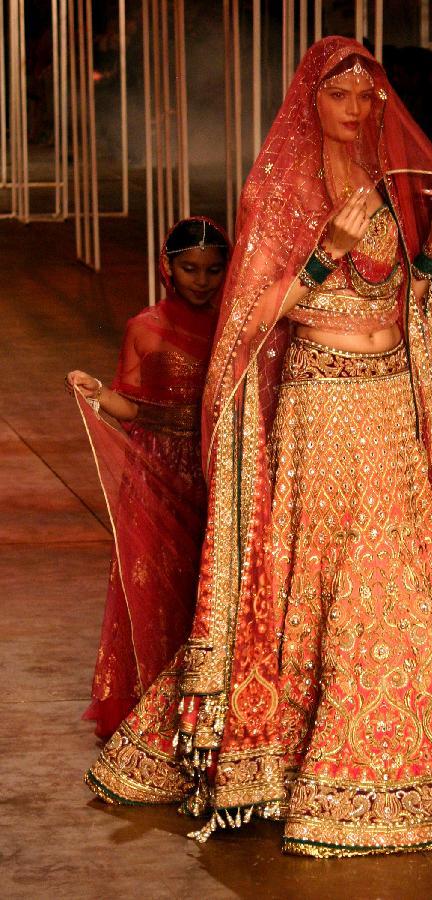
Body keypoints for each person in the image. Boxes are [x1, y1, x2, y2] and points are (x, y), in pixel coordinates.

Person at [86, 38, 432, 857]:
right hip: (320, 408)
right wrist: (321, 252)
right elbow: (252, 319)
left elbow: (401, 298)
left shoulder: (385, 192)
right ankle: (318, 764)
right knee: (332, 574)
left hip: (383, 405)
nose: (362, 108)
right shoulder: (285, 191)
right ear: (313, 102)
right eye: (343, 94)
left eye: (371, 95)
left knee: (403, 574)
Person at [67, 217, 230, 738]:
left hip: (211, 468)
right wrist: (93, 390)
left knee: (207, 584)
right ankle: (150, 705)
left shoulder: (232, 326)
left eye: (212, 270)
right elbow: (131, 407)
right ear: (168, 267)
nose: (201, 281)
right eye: (189, 269)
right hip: (154, 470)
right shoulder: (145, 326)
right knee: (156, 586)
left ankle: (204, 707)